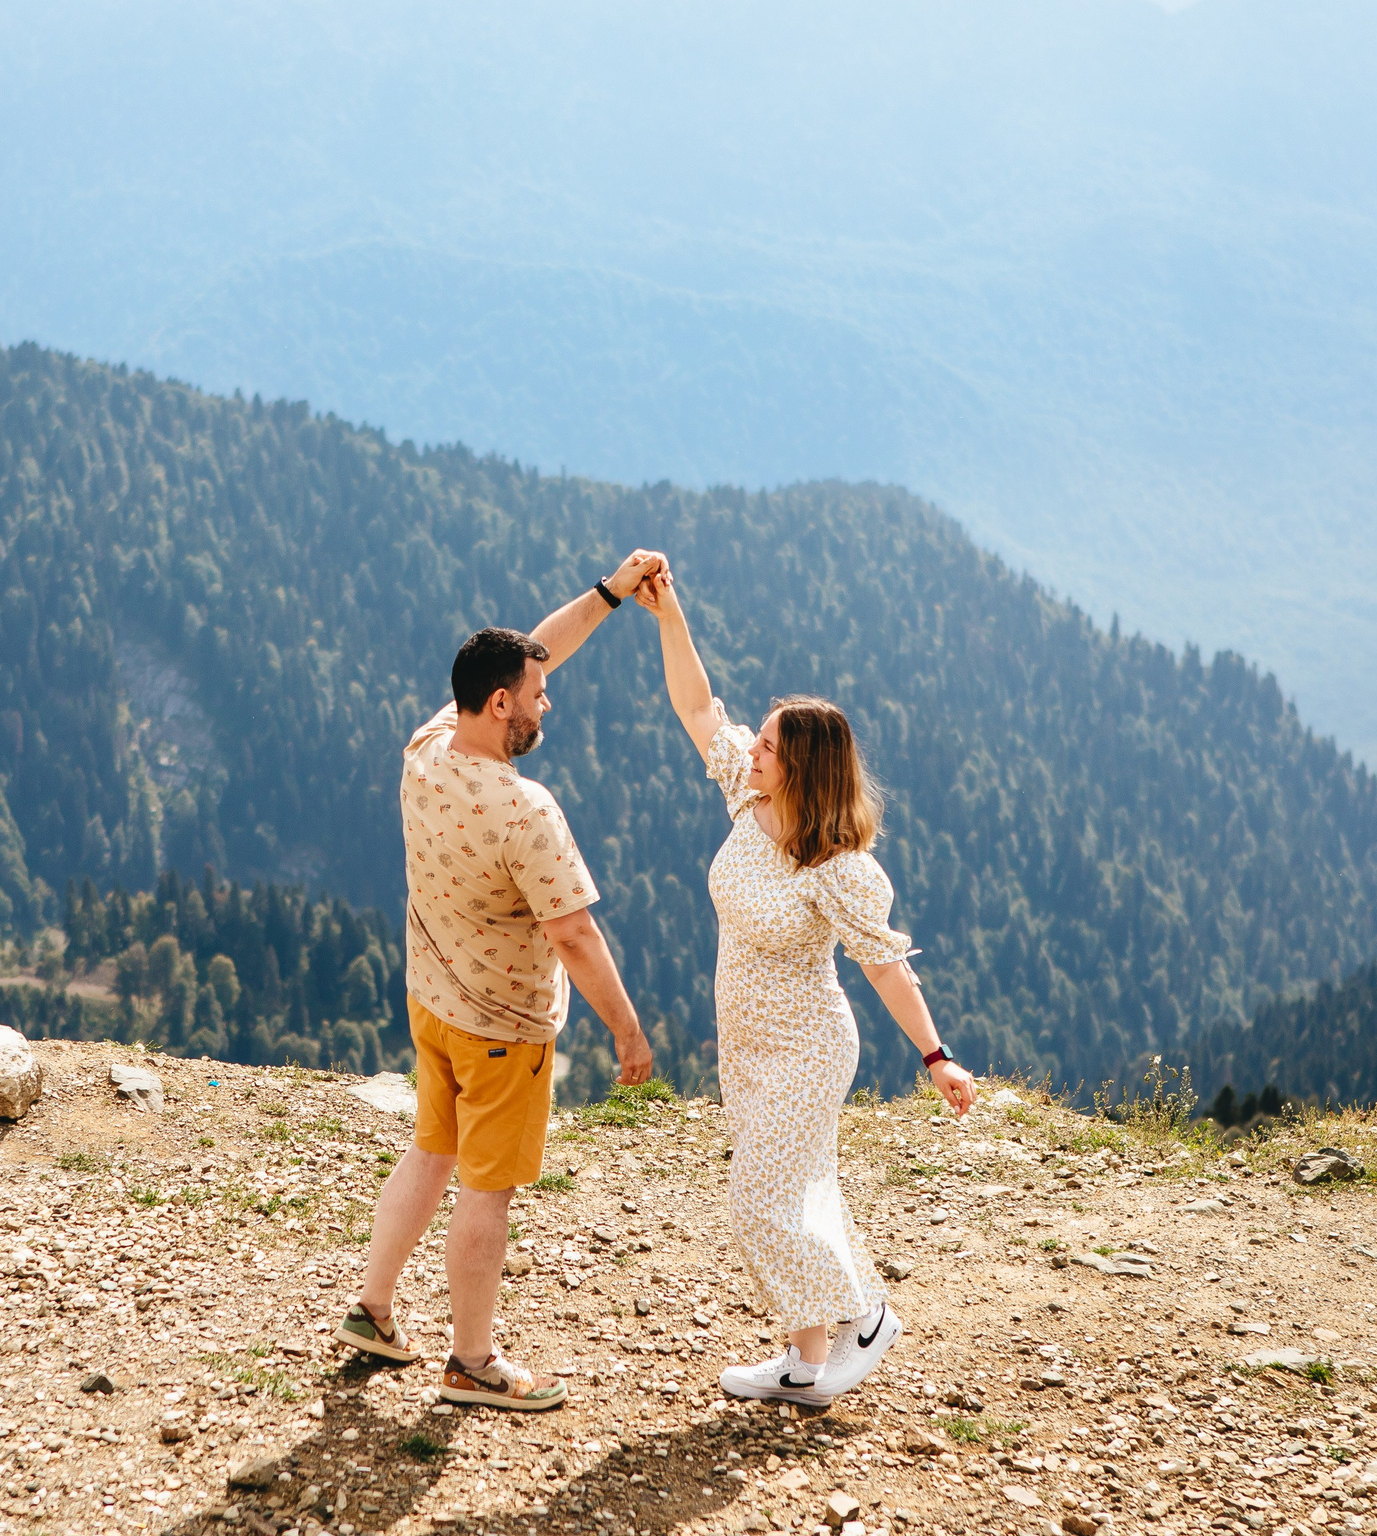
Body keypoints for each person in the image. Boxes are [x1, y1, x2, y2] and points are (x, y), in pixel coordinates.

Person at [634, 563, 975, 1407]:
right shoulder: (748, 806)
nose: (750, 749)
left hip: (808, 1048)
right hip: (747, 1046)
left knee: (761, 1198)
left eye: (768, 747)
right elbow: (696, 705)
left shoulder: (839, 868)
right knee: (795, 1191)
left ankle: (865, 1315)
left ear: (801, 768)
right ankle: (805, 1362)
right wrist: (670, 610)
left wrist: (936, 1057)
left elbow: (886, 967)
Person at [334, 552, 664, 1410]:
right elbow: (576, 934)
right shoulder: (526, 809)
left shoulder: (427, 746)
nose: (547, 697)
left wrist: (609, 593)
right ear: (499, 704)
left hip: (433, 1003)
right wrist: (627, 1030)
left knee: (430, 1149)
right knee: (487, 1189)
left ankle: (373, 1310)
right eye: (535, 693)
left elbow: (536, 649)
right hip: (504, 1028)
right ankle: (473, 1360)